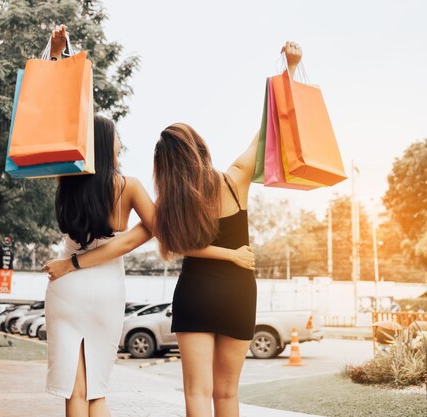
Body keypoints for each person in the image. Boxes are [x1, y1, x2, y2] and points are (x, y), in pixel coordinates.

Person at [41, 25, 255, 417]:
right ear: (109, 145)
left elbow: (56, 126)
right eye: (118, 137)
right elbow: (163, 237)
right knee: (98, 390)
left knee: (76, 389)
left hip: (64, 285)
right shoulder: (131, 188)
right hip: (106, 286)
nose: (122, 142)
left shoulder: (66, 178)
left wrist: (56, 59)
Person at [150, 42, 302, 417]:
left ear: (165, 167)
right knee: (228, 394)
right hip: (237, 291)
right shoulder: (235, 179)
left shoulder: (170, 202)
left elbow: (171, 244)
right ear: (200, 148)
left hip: (195, 293)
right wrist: (291, 71)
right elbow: (268, 130)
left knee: (197, 394)